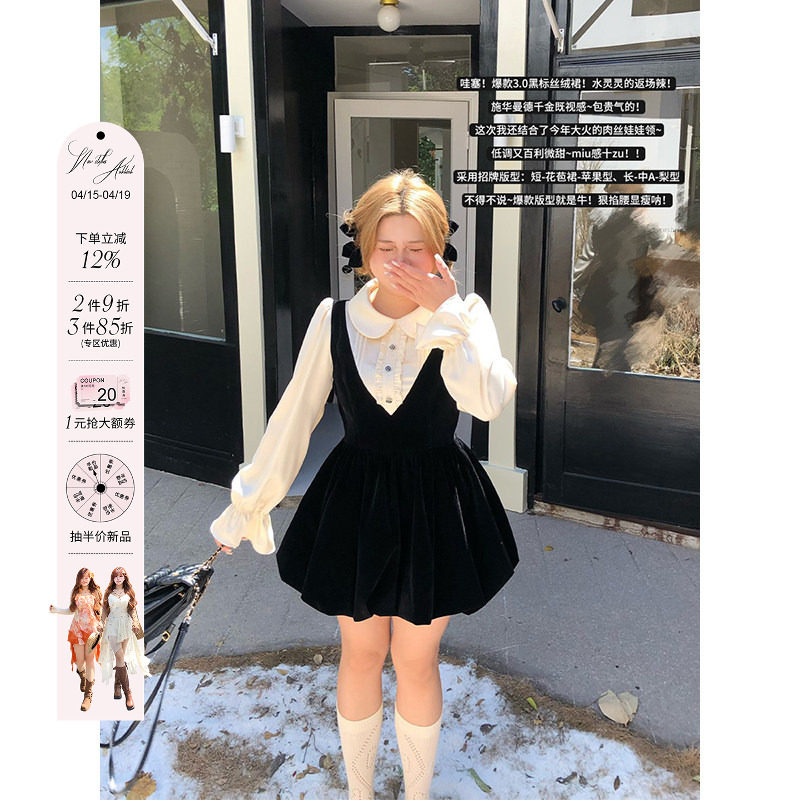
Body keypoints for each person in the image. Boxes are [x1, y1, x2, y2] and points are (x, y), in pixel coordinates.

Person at [210, 169, 520, 799]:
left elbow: (487, 401)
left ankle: (417, 793)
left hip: (437, 502)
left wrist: (445, 312)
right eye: (387, 247)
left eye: (416, 248)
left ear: (439, 249)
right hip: (357, 502)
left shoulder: (466, 315)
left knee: (416, 659)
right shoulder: (333, 319)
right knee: (360, 652)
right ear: (364, 248)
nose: (400, 262)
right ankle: (359, 792)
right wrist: (250, 503)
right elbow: (293, 417)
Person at [572, 184, 668, 371]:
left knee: (612, 347)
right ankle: (608, 377)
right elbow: (665, 248)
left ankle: (605, 375)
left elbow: (584, 263)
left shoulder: (603, 226)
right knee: (614, 349)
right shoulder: (641, 226)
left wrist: (570, 285)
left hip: (614, 294)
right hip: (626, 295)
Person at [49, 567, 103, 711]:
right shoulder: (76, 593)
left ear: (90, 578)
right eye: (82, 577)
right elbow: (71, 610)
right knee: (80, 662)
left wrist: (103, 624)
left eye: (87, 577)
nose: (85, 580)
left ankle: (88, 695)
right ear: (78, 579)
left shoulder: (96, 592)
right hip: (77, 630)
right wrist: (56, 610)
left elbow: (101, 611)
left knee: (90, 660)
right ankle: (83, 675)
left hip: (92, 630)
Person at [99, 567, 150, 711]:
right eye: (116, 576)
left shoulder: (129, 591)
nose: (118, 578)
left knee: (120, 659)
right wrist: (101, 622)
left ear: (125, 578)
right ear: (113, 578)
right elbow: (105, 610)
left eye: (121, 576)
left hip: (126, 625)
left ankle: (117, 686)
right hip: (112, 625)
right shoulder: (108, 592)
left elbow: (132, 609)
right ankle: (128, 693)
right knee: (120, 656)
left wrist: (135, 622)